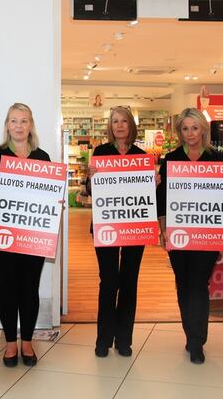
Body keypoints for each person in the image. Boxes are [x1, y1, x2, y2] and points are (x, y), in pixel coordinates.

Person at [155, 108, 223, 365]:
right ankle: (190, 332)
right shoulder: (171, 158)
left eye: (194, 128)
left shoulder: (217, 159)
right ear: (180, 132)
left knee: (199, 284)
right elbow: (162, 198)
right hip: (178, 234)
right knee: (183, 284)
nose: (190, 134)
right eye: (185, 129)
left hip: (207, 233)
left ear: (203, 130)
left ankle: (197, 341)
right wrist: (163, 229)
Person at [0, 103, 51, 367]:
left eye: (24, 121)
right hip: (4, 236)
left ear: (31, 125)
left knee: (30, 290)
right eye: (14, 121)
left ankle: (28, 343)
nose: (19, 126)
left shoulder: (42, 157)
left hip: (33, 236)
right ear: (7, 125)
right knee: (8, 289)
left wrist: (56, 204)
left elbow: (48, 194)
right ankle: (11, 344)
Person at [85, 106, 146, 358]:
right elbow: (91, 191)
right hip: (106, 225)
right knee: (109, 281)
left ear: (131, 125)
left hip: (134, 226)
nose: (119, 126)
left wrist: (152, 184)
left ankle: (124, 340)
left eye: (123, 121)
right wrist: (91, 179)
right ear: (110, 126)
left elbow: (146, 197)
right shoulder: (101, 153)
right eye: (115, 122)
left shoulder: (141, 156)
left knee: (129, 282)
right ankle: (103, 340)